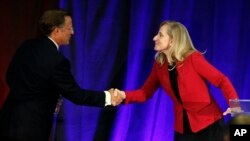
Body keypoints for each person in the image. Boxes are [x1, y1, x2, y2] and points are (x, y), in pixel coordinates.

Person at [0, 9, 124, 141]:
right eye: (69, 28)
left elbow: (10, 77)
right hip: (32, 130)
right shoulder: (57, 60)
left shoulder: (27, 46)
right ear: (56, 30)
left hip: (7, 122)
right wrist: (108, 97)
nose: (72, 32)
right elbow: (76, 95)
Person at [115, 20, 239, 141]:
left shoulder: (193, 58)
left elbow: (222, 80)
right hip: (182, 128)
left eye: (160, 35)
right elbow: (145, 92)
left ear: (172, 40)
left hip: (209, 125)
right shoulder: (159, 65)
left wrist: (236, 107)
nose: (154, 38)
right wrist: (123, 95)